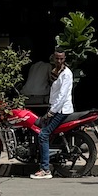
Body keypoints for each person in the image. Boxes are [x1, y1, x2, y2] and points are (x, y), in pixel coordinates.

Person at [31, 51, 72, 180]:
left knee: (43, 135)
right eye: (57, 58)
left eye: (61, 59)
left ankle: (45, 169)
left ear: (64, 59)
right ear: (53, 59)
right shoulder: (56, 72)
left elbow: (62, 96)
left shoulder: (66, 74)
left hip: (61, 110)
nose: (59, 61)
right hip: (55, 107)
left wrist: (51, 112)